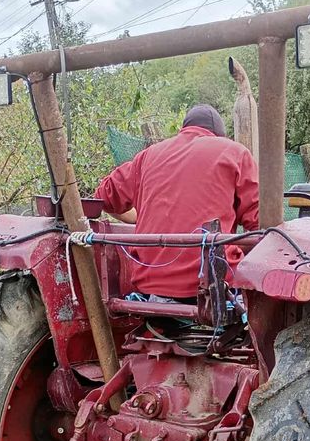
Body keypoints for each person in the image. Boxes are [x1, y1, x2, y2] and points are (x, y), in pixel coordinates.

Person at [93, 104, 259, 300]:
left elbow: (102, 198)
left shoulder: (146, 156)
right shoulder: (235, 153)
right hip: (216, 284)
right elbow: (259, 224)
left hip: (151, 285)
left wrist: (136, 219)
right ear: (218, 135)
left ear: (184, 128)